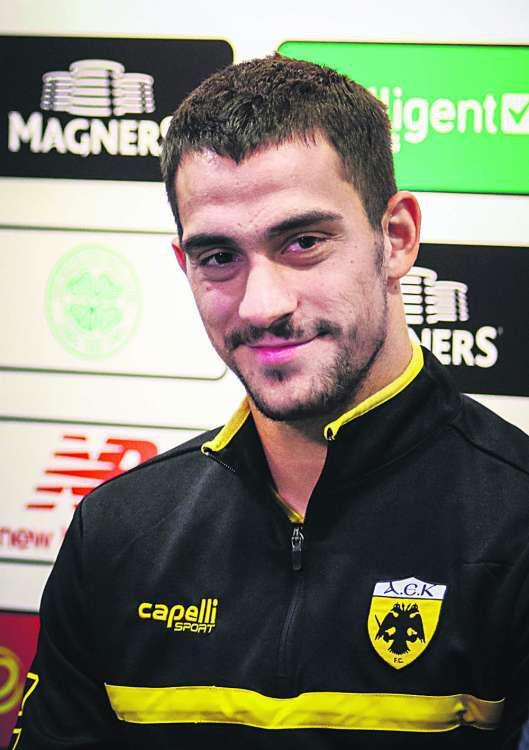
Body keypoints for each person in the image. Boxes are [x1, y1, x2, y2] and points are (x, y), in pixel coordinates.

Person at [10, 54, 529, 749]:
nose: (261, 306)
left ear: (396, 238)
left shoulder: (516, 523)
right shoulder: (115, 532)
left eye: (303, 242)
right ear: (185, 265)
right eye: (218, 257)